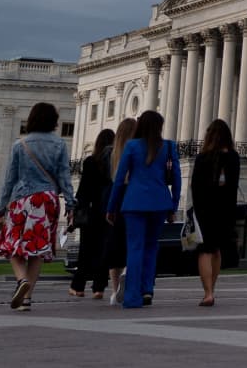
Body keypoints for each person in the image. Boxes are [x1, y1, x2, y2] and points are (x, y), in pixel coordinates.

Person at [0, 102, 76, 311]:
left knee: (12, 245)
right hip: (47, 200)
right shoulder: (59, 144)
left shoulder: (19, 145)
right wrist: (71, 202)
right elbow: (65, 177)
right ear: (53, 121)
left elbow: (9, 180)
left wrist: (1, 206)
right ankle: (27, 298)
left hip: (23, 199)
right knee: (37, 250)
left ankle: (21, 280)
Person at [105, 110, 181, 311]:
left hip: (134, 202)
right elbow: (177, 178)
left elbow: (120, 180)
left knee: (135, 248)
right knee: (151, 247)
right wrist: (173, 205)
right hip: (159, 202)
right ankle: (147, 289)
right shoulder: (168, 146)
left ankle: (132, 296)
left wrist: (111, 207)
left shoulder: (131, 146)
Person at [190, 118, 241, 307]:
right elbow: (234, 186)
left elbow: (195, 187)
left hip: (205, 208)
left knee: (205, 250)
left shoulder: (203, 158)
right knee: (217, 250)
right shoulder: (233, 158)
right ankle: (213, 288)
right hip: (225, 209)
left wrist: (197, 209)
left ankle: (207, 292)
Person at [68, 127, 116, 298]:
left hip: (91, 210)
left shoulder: (90, 162)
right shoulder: (115, 162)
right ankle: (99, 287)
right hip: (108, 210)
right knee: (103, 250)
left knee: (86, 250)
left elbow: (83, 190)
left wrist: (75, 209)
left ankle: (78, 286)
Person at [104, 116, 138, 305]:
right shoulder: (137, 151)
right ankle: (127, 273)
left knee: (114, 244)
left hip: (115, 197)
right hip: (133, 195)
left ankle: (114, 289)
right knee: (131, 241)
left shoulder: (112, 153)